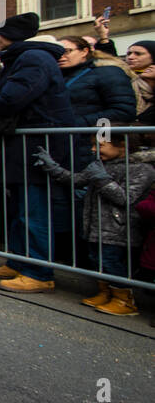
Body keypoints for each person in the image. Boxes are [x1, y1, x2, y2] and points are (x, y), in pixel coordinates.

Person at [0, 12, 75, 293]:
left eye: (0, 33)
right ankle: (19, 262)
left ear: (13, 35)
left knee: (34, 210)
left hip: (37, 146)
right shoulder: (24, 57)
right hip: (23, 145)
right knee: (21, 209)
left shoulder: (33, 58)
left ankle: (38, 271)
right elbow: (14, 96)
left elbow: (13, 100)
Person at [35, 131, 155, 315]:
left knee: (111, 262)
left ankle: (124, 299)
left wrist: (101, 178)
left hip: (119, 229)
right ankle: (106, 292)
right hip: (95, 225)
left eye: (99, 145)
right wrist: (52, 167)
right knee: (97, 260)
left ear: (122, 145)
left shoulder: (143, 169)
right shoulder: (101, 165)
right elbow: (76, 180)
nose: (93, 149)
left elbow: (124, 198)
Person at [58, 36, 136, 129]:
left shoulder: (108, 72)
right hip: (67, 137)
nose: (61, 56)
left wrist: (77, 123)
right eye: (57, 53)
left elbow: (123, 111)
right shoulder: (57, 76)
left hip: (97, 138)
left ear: (84, 51)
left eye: (67, 51)